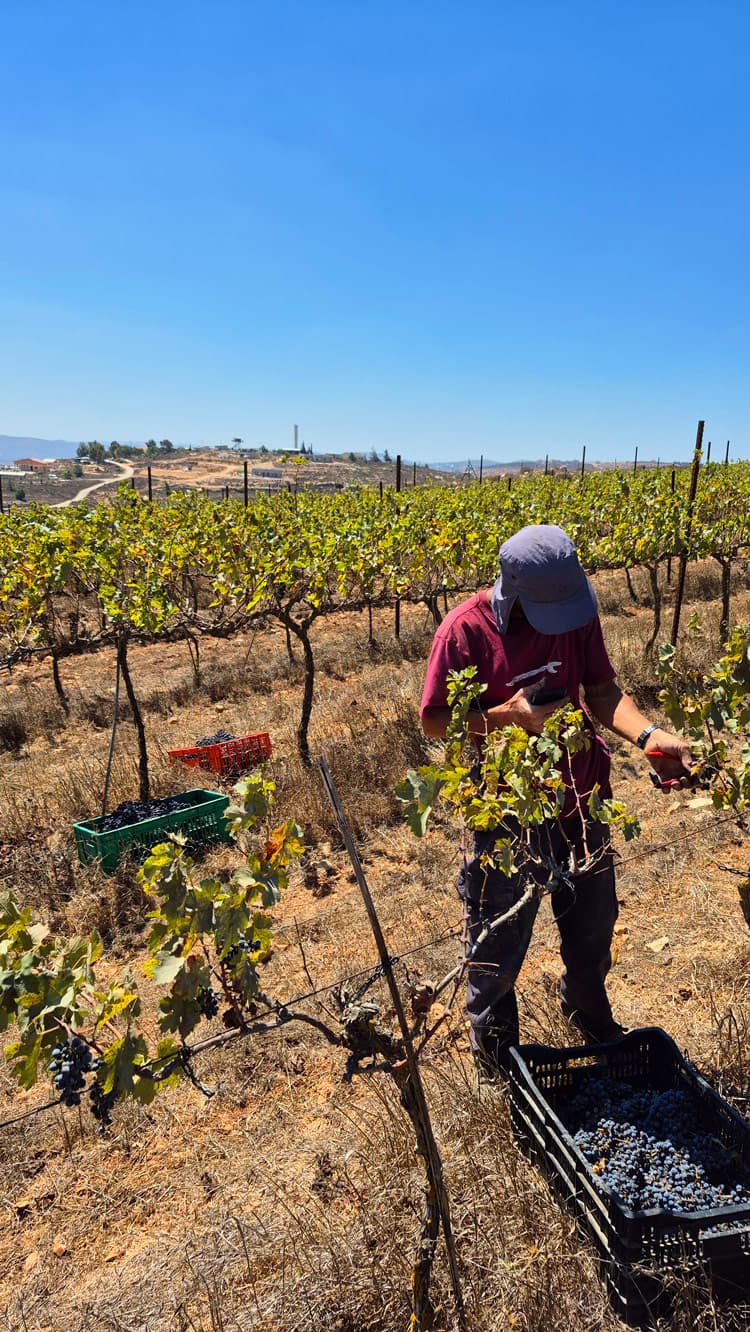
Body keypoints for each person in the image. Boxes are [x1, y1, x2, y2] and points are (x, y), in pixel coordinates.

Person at [419, 524, 692, 1076]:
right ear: (513, 592)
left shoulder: (574, 613)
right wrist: (508, 717)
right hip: (507, 814)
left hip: (582, 802)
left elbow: (603, 692)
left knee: (593, 932)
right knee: (495, 950)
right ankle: (498, 1062)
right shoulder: (464, 631)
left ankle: (587, 1012)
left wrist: (648, 736)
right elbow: (434, 723)